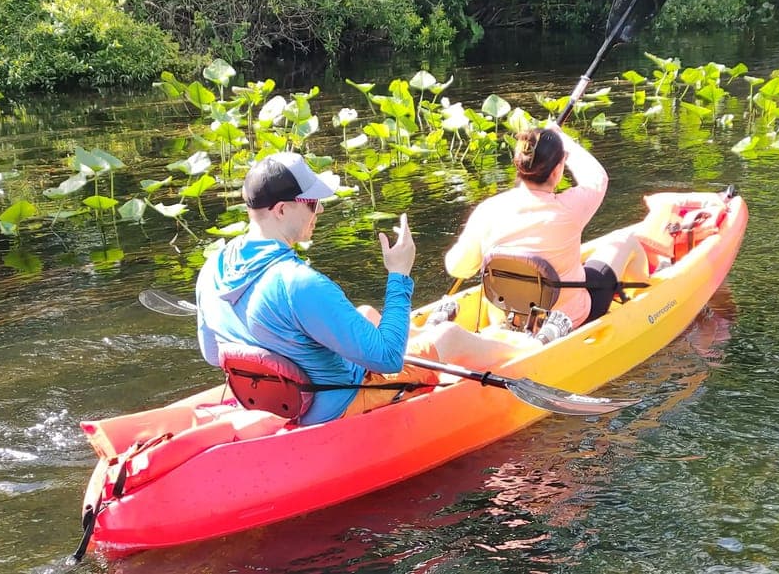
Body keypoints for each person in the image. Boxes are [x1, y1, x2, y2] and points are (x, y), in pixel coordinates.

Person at [196, 152, 531, 426]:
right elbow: (386, 360)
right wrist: (399, 275)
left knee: (368, 314)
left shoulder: (212, 268)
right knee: (448, 336)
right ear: (281, 210)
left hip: (281, 397)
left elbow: (214, 355)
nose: (321, 209)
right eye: (312, 202)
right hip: (336, 401)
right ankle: (531, 353)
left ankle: (453, 339)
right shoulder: (298, 283)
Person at [444, 126, 649, 329]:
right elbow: (597, 178)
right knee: (625, 240)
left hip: (508, 316)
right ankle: (650, 305)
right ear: (558, 169)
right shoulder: (570, 208)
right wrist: (562, 137)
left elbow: (457, 268)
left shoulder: (487, 211)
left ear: (519, 164)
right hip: (567, 317)